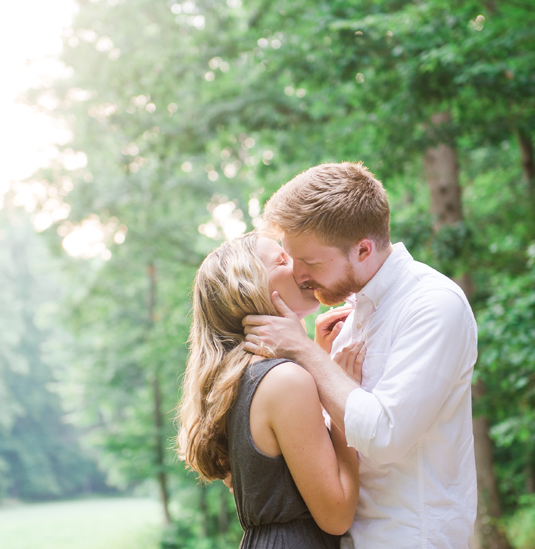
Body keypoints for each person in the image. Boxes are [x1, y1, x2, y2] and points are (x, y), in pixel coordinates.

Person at [242, 162, 478, 548]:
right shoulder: (349, 319)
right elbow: (331, 438)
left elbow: (384, 435)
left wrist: (303, 353)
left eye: (311, 263)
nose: (300, 275)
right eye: (291, 259)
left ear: (363, 249)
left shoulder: (433, 305)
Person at [176, 232, 362, 548]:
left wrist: (314, 357)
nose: (300, 265)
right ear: (248, 290)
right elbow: (337, 515)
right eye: (282, 259)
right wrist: (345, 396)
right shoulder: (285, 381)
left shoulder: (240, 379)